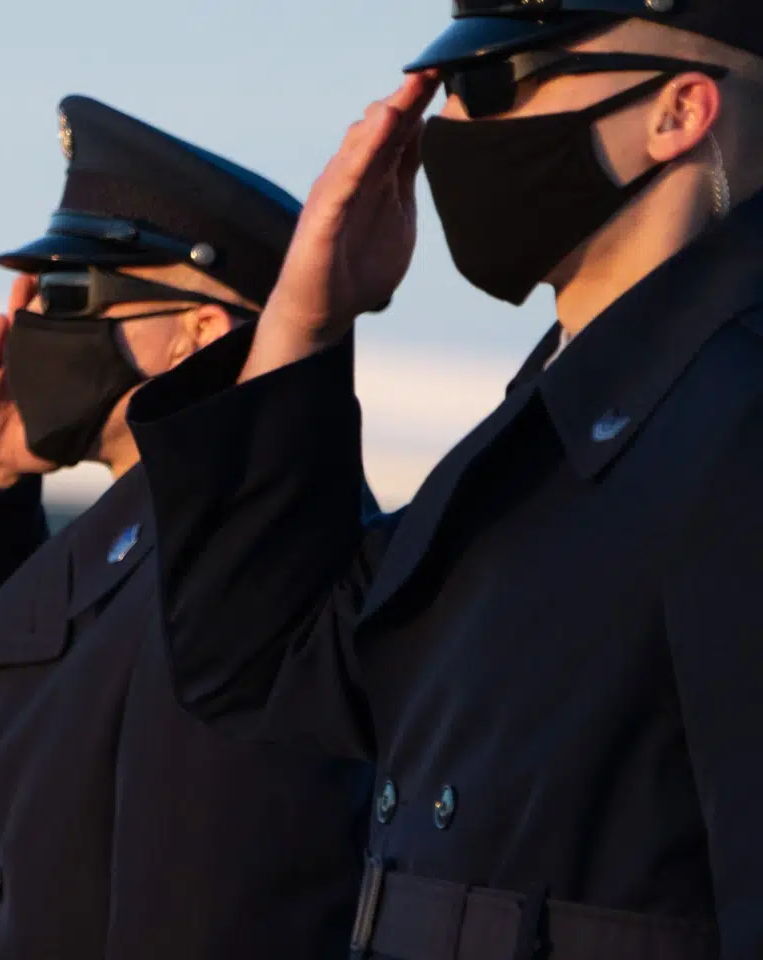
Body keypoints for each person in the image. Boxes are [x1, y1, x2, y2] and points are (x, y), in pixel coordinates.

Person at [126, 2, 763, 957]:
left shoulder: (735, 413)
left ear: (676, 112)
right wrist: (304, 322)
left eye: (488, 84)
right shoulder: (542, 429)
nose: (442, 133)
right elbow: (262, 665)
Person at [0, 96, 371, 960]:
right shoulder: (131, 529)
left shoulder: (264, 551)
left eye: (71, 294)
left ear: (198, 333)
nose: (35, 324)